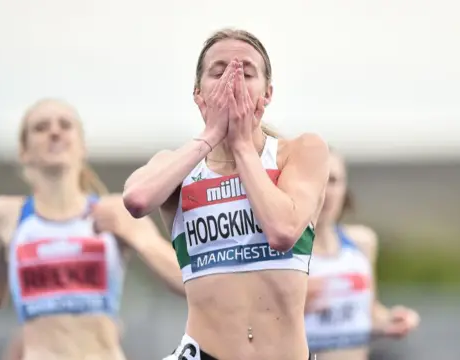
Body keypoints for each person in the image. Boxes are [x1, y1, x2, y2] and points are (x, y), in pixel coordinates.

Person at [0, 98, 184, 360]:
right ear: (24, 152)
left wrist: (137, 237)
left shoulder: (114, 210)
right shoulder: (7, 215)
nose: (54, 132)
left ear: (82, 146)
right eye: (41, 127)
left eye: (65, 125)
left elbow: (186, 279)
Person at [123, 28, 329, 360]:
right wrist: (210, 137)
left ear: (267, 93)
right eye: (218, 73)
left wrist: (242, 146)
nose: (232, 82)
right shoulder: (176, 165)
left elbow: (282, 231)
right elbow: (136, 200)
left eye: (246, 73)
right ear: (198, 94)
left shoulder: (299, 152)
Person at [304, 151, 420, 360]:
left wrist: (393, 319)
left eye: (333, 181)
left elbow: (370, 312)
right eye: (317, 179)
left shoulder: (362, 242)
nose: (325, 192)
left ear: (345, 188)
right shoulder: (282, 250)